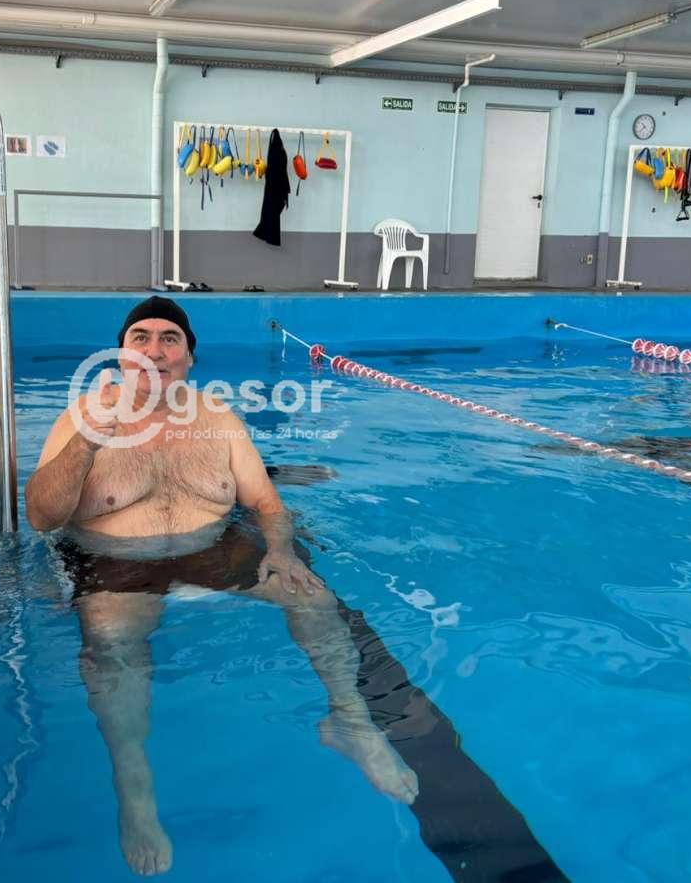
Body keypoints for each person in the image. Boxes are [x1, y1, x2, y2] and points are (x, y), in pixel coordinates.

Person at [25, 296, 418, 877]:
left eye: (170, 339)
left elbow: (265, 503)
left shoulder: (217, 419)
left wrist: (280, 551)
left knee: (311, 594)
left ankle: (349, 719)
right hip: (116, 560)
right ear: (120, 355)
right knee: (110, 642)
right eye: (140, 338)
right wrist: (86, 442)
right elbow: (41, 517)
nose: (155, 350)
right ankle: (134, 784)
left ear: (189, 358)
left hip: (214, 549)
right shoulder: (83, 415)